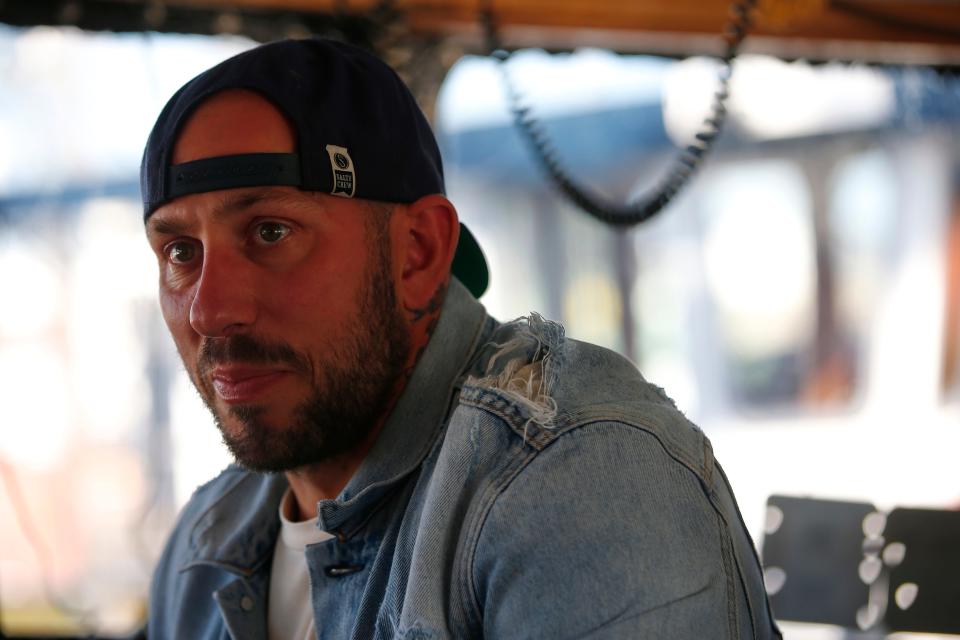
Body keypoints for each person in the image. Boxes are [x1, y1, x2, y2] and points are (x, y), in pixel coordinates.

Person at [140, 37, 781, 639]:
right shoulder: (208, 541)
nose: (209, 311)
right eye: (179, 251)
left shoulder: (572, 484)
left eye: (271, 232)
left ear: (417, 253)